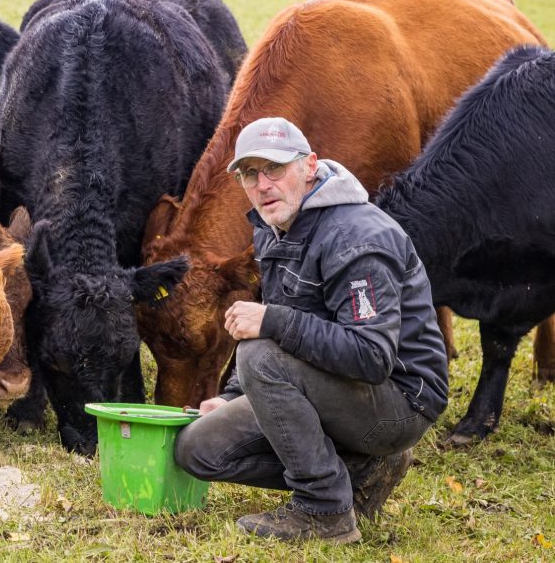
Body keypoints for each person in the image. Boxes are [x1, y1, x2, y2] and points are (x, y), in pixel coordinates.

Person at [174, 117, 448, 544]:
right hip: (330, 384)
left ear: (310, 166)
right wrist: (231, 397)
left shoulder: (355, 237)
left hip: (399, 402)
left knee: (258, 355)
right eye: (250, 174)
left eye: (275, 168)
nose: (263, 185)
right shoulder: (273, 228)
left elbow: (372, 356)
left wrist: (271, 321)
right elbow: (282, 326)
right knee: (197, 450)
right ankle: (361, 470)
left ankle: (325, 510)